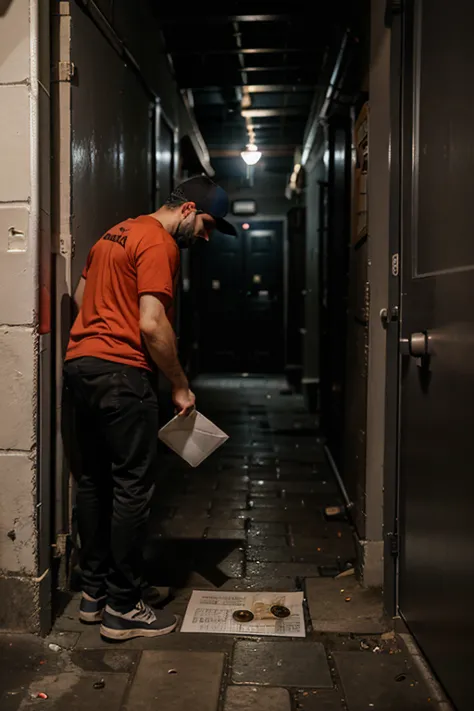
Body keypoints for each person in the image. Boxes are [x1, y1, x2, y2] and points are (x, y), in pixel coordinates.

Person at [63, 175, 237, 641]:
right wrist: (179, 385)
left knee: (94, 482)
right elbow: (152, 324)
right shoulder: (160, 244)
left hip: (80, 369)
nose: (205, 236)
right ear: (186, 210)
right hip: (123, 375)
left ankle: (94, 594)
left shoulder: (112, 234)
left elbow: (81, 302)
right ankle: (125, 606)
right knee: (132, 488)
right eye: (206, 225)